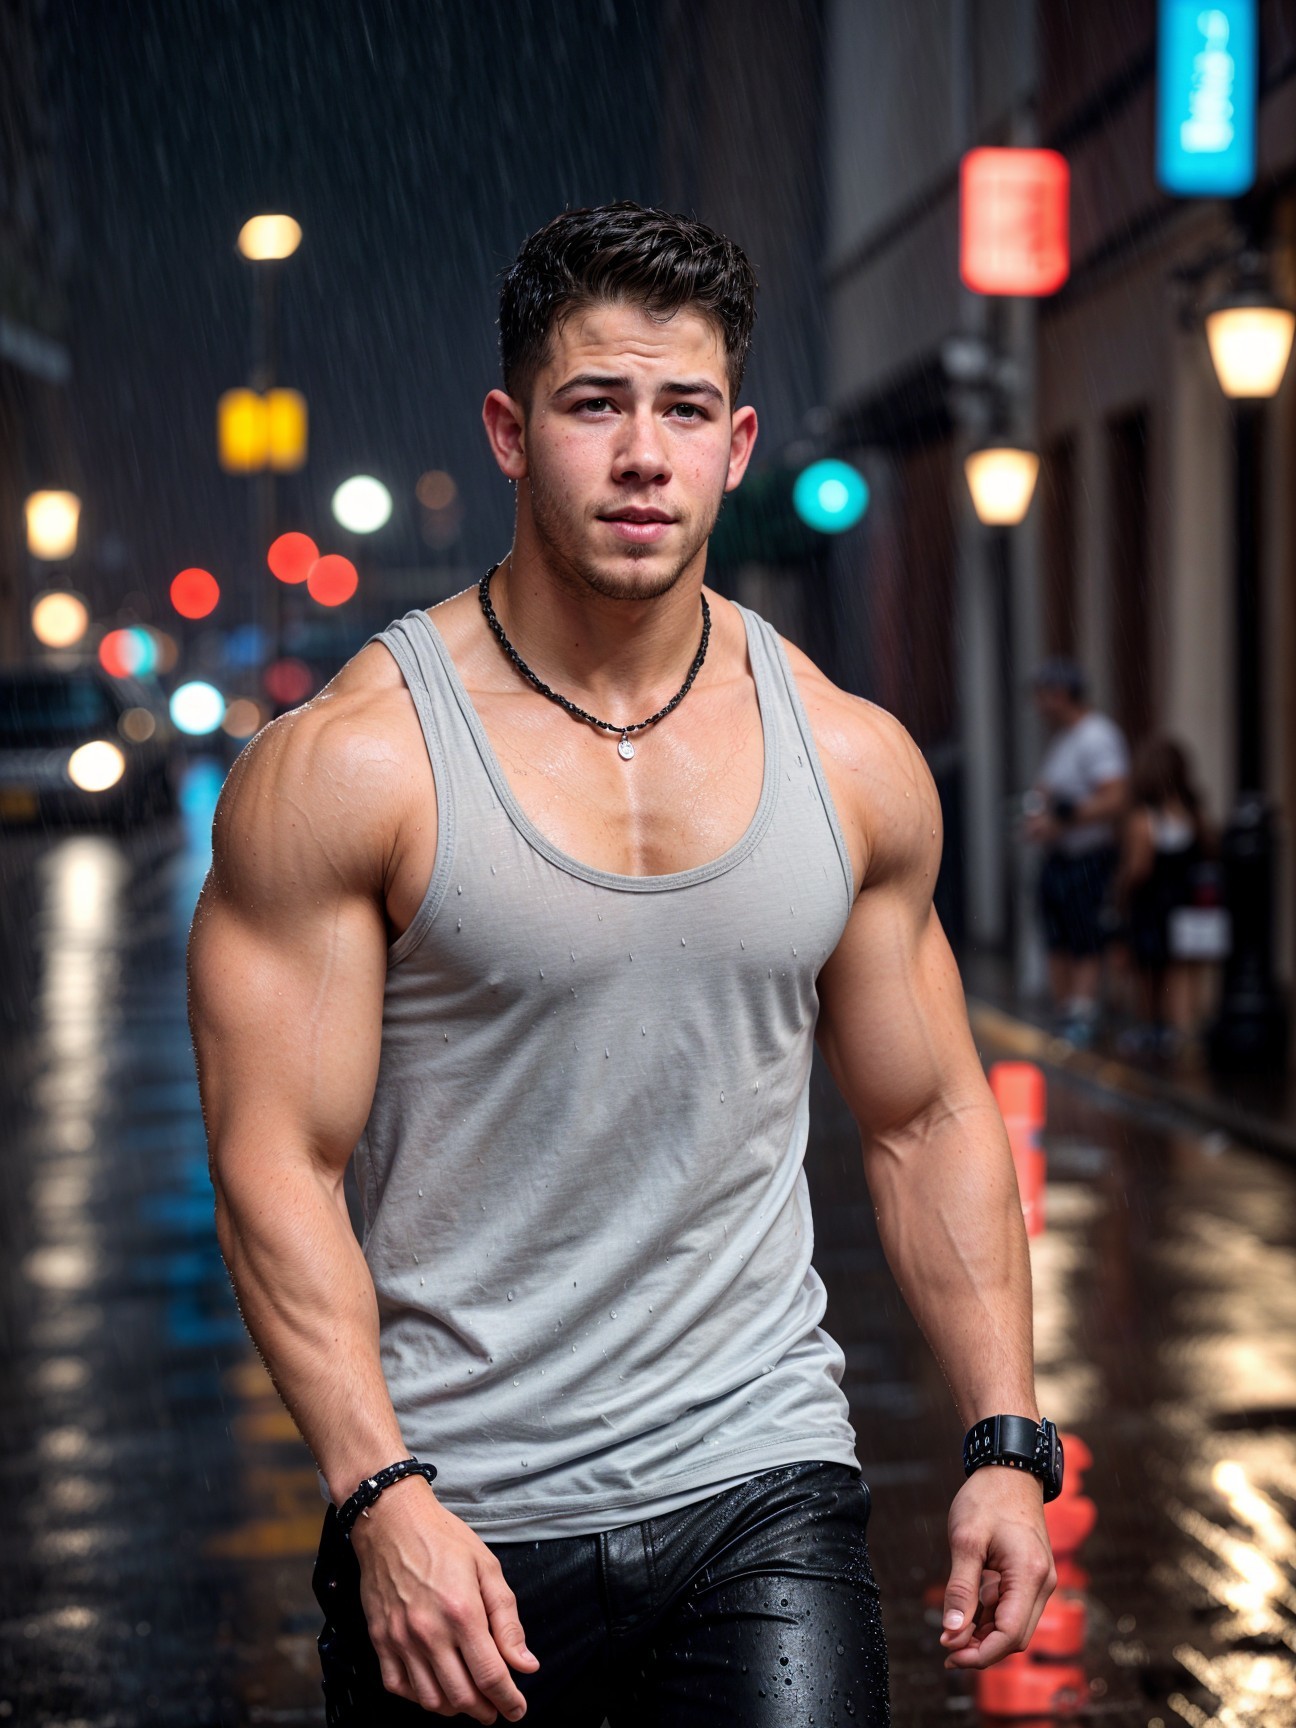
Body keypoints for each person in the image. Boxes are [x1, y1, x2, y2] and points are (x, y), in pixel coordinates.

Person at [189, 202, 1057, 1728]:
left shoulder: (849, 759)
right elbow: (277, 1159)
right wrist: (375, 1494)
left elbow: (927, 1118)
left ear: (737, 442)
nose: (645, 454)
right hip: (457, 1514)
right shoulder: (356, 763)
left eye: (686, 409)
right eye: (598, 405)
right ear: (512, 431)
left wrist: (1005, 1439)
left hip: (761, 1486)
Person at [1024, 660, 1130, 1046]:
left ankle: (1082, 1013)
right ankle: (1066, 1009)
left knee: (1084, 932)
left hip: (1087, 856)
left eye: (1043, 696)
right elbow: (1047, 791)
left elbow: (1115, 797)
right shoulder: (1065, 740)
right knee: (1057, 932)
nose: (1038, 706)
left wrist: (1064, 819)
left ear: (1061, 694)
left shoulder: (1095, 737)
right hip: (1061, 856)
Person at [1114, 736, 1213, 1060]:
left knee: (1147, 971)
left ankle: (1151, 1028)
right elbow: (1209, 850)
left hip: (1153, 905)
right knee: (1183, 970)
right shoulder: (1194, 813)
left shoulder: (1143, 818)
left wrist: (1119, 890)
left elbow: (1139, 868)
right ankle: (1184, 1031)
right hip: (1188, 906)